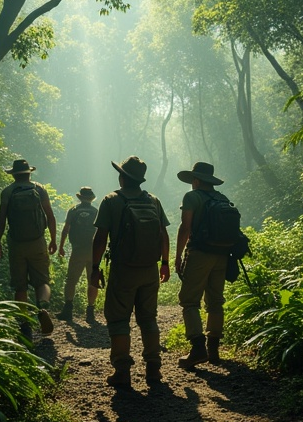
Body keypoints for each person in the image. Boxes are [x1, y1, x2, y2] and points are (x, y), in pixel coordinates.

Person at [90, 156, 170, 387]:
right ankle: (153, 369)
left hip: (123, 270)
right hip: (150, 270)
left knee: (118, 320)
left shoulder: (111, 200)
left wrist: (95, 269)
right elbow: (163, 235)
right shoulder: (153, 200)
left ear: (122, 176)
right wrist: (165, 263)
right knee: (148, 318)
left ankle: (122, 371)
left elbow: (100, 238)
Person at [0, 159, 57, 340]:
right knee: (43, 281)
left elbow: (1, 219)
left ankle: (23, 323)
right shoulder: (39, 189)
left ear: (13, 174)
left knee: (20, 285)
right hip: (37, 242)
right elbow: (50, 216)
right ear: (29, 173)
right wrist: (53, 239)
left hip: (16, 244)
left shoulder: (7, 192)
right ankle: (43, 307)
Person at [175, 162, 229, 368]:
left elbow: (185, 227)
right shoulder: (222, 198)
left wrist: (178, 256)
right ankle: (214, 350)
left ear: (196, 180)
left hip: (199, 254)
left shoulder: (192, 197)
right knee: (215, 301)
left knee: (189, 301)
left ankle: (198, 349)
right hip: (222, 255)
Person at [57, 186, 99, 323]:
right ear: (91, 199)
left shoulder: (74, 210)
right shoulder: (95, 211)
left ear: (80, 197)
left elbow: (66, 229)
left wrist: (61, 246)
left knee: (71, 280)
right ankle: (90, 311)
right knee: (92, 280)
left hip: (78, 250)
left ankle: (68, 309)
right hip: (93, 250)